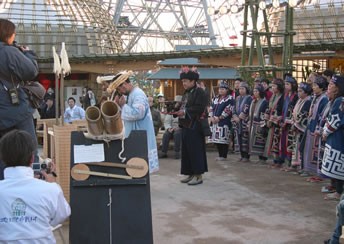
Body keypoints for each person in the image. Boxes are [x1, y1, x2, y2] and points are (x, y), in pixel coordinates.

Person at [0, 130, 71, 243]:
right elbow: (61, 216)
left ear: (3, 158)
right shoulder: (50, 189)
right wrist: (52, 183)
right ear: (32, 159)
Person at [0, 19, 39, 179]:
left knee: (3, 155)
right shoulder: (9, 51)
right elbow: (30, 71)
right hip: (15, 110)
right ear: (8, 34)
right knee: (28, 147)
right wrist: (28, 53)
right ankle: (32, 182)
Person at [108, 71, 159, 173]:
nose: (120, 92)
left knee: (140, 163)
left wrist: (123, 106)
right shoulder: (132, 94)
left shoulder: (138, 94)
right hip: (136, 133)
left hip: (140, 133)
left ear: (125, 84)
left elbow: (138, 114)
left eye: (119, 89)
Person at [174, 67, 208, 185]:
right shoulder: (187, 93)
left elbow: (200, 108)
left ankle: (198, 175)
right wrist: (177, 108)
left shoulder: (199, 92)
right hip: (186, 125)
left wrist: (185, 111)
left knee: (195, 150)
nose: (183, 83)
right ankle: (189, 173)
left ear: (193, 81)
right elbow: (184, 107)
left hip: (195, 125)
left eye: (185, 81)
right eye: (182, 81)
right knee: (187, 151)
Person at [321, 75, 344, 201]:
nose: (328, 87)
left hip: (337, 136)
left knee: (339, 162)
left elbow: (334, 120)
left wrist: (325, 132)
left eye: (331, 85)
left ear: (337, 88)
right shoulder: (339, 100)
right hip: (338, 134)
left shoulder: (339, 101)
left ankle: (339, 192)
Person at [300, 76, 328, 177]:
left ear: (321, 87)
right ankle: (307, 169)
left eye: (316, 85)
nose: (314, 87)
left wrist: (318, 128)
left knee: (315, 150)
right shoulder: (315, 97)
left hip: (316, 128)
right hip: (310, 126)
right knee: (307, 148)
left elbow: (322, 115)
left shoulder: (324, 99)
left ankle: (316, 173)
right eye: (313, 85)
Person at [208, 82, 234, 161]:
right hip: (214, 121)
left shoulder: (230, 99)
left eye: (223, 89)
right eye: (220, 89)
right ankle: (220, 155)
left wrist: (219, 118)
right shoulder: (215, 98)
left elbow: (228, 109)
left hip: (223, 121)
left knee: (223, 139)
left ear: (227, 90)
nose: (221, 91)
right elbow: (211, 108)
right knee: (217, 139)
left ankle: (224, 155)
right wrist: (211, 117)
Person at [290, 82, 312, 169]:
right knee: (297, 147)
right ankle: (297, 164)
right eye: (298, 91)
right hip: (297, 127)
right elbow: (294, 113)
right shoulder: (299, 100)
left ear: (306, 92)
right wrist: (293, 123)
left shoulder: (308, 101)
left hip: (302, 129)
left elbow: (304, 115)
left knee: (302, 148)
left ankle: (302, 166)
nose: (298, 93)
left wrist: (296, 125)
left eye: (300, 91)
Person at [279, 76, 299, 171]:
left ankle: (292, 164)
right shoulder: (285, 95)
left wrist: (287, 121)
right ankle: (286, 163)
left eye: (288, 84)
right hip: (284, 121)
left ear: (293, 85)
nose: (286, 86)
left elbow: (293, 110)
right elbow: (282, 108)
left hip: (291, 123)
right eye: (285, 84)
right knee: (284, 143)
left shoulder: (295, 96)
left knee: (290, 143)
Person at [264, 78, 285, 168]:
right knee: (272, 142)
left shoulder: (282, 97)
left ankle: (279, 161)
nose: (272, 88)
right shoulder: (273, 96)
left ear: (279, 87)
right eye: (272, 86)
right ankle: (274, 159)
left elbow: (280, 110)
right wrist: (267, 117)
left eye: (274, 86)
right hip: (271, 122)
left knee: (277, 141)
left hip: (277, 123)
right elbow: (269, 108)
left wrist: (272, 119)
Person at [248, 84, 269, 163]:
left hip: (260, 124)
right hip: (253, 124)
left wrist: (263, 123)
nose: (255, 93)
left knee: (261, 141)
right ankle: (260, 158)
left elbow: (264, 113)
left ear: (261, 92)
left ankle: (263, 158)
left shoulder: (264, 102)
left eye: (256, 91)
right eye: (254, 91)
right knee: (255, 141)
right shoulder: (253, 101)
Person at [233, 81, 253, 162]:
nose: (241, 90)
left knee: (245, 138)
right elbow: (233, 108)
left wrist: (240, 117)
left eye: (243, 88)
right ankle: (241, 155)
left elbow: (246, 109)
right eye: (240, 89)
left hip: (245, 121)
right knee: (239, 138)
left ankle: (246, 156)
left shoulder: (249, 98)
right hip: (237, 122)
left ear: (246, 89)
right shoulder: (237, 98)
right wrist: (234, 116)